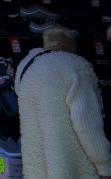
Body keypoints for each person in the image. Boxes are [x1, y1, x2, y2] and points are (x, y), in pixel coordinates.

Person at [15, 27, 111, 179]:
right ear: (72, 49)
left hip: (37, 170)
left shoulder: (30, 71)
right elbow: (87, 126)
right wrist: (105, 166)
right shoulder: (75, 68)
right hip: (74, 170)